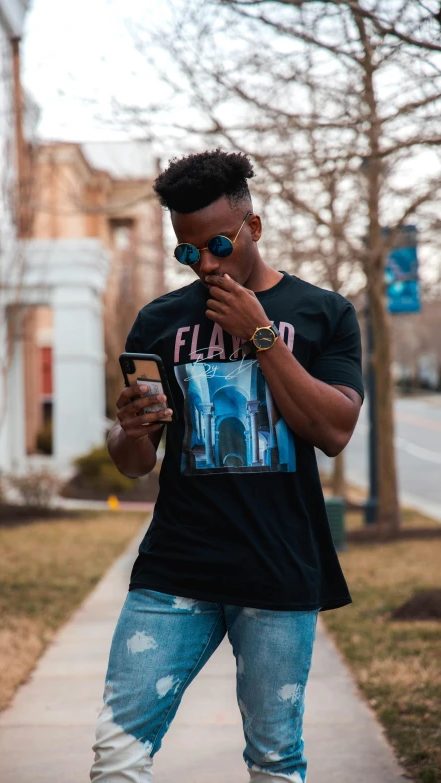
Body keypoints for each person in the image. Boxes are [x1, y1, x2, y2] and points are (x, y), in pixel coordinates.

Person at [89, 150, 364, 783]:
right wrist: (129, 430)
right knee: (117, 751)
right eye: (189, 252)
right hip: (176, 568)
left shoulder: (325, 314)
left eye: (216, 244)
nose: (206, 265)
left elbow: (333, 430)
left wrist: (261, 333)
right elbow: (135, 463)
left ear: (254, 227)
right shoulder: (159, 321)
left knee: (274, 760)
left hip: (278, 568)